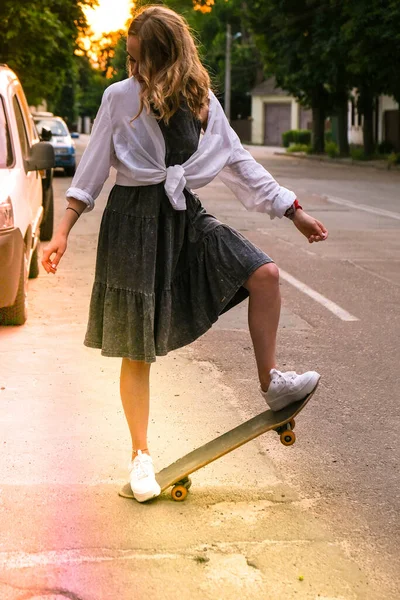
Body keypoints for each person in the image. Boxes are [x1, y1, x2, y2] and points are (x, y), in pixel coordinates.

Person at [42, 5, 328, 503]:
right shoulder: (118, 97)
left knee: (264, 274)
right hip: (131, 225)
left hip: (182, 216)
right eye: (127, 58)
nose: (131, 68)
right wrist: (63, 229)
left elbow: (237, 159)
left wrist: (292, 209)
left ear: (167, 57)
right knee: (137, 349)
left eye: (139, 59)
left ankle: (272, 383)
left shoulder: (202, 101)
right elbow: (91, 170)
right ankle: (140, 457)